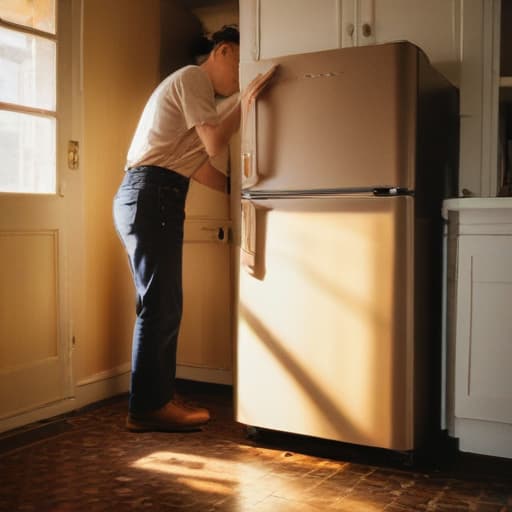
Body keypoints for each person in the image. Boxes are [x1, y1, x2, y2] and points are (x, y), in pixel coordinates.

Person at [113, 26, 276, 432]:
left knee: (161, 302)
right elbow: (216, 143)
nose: (239, 79)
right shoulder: (192, 78)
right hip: (153, 194)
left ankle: (156, 397)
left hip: (149, 193)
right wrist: (247, 100)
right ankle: (149, 407)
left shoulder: (188, 90)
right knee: (162, 304)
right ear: (222, 51)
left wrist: (240, 191)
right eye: (239, 66)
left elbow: (199, 163)